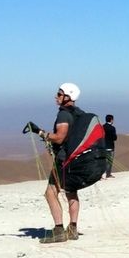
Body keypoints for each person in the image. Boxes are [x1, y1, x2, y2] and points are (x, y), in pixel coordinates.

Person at [41, 83, 85, 244]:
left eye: (59, 94)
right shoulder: (80, 114)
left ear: (68, 96)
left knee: (50, 192)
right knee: (71, 191)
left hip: (63, 160)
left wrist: (43, 133)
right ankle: (72, 229)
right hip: (76, 159)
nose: (56, 96)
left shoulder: (64, 115)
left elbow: (60, 137)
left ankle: (59, 230)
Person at [102, 114, 117, 178]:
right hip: (110, 147)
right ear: (111, 120)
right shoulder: (112, 128)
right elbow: (115, 138)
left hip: (103, 146)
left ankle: (101, 175)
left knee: (103, 161)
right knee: (109, 161)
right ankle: (108, 174)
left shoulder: (102, 127)